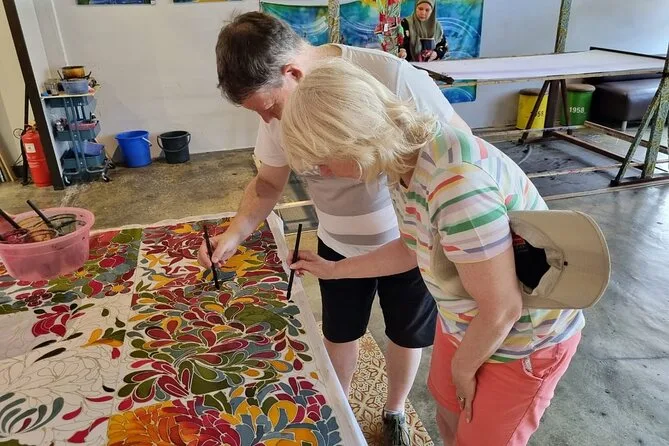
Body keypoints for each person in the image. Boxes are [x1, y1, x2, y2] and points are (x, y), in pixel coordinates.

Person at [199, 11, 471, 446]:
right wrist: (234, 232)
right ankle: (339, 411)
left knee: (407, 333)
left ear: (292, 73)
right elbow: (268, 182)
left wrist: (441, 233)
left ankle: (394, 411)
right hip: (337, 243)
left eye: (270, 108)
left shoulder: (390, 76)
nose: (270, 122)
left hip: (407, 241)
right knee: (340, 332)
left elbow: (459, 153)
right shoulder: (275, 99)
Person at [280, 58, 585, 446]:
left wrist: (463, 368)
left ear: (353, 139)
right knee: (448, 416)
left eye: (323, 160)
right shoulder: (402, 162)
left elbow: (502, 308)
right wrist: (335, 270)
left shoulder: (456, 185)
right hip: (466, 322)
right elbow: (411, 247)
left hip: (521, 343)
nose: (323, 173)